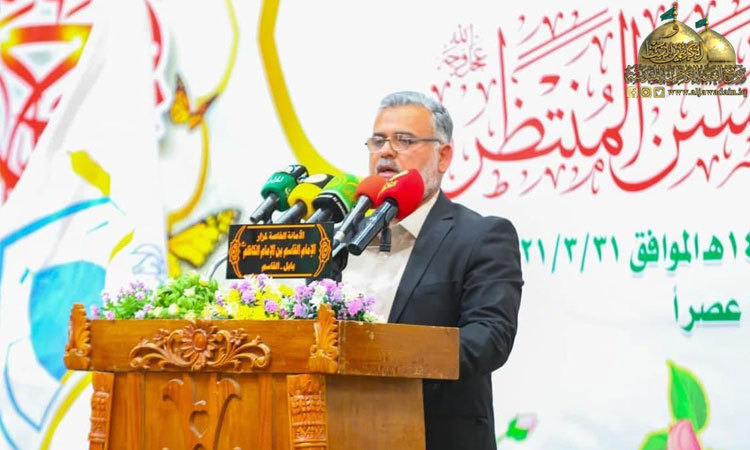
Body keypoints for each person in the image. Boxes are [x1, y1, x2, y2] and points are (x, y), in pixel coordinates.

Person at [342, 91, 524, 450]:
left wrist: (386, 356)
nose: (386, 151)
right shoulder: (341, 237)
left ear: (443, 156)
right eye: (378, 141)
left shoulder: (480, 237)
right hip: (338, 429)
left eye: (404, 140)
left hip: (434, 434)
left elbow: (489, 338)